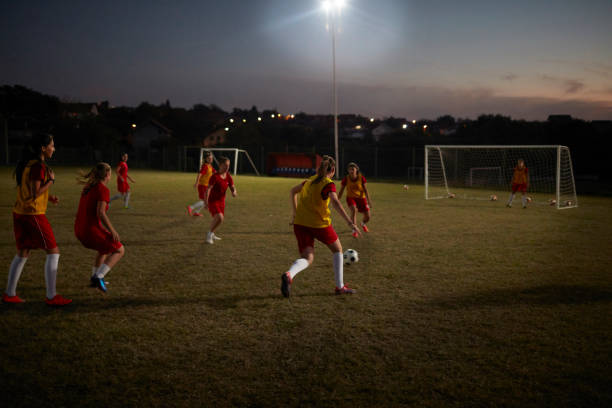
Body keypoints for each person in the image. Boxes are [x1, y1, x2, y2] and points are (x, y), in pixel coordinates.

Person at [2, 134, 72, 306]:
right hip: (32, 215)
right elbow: (35, 192)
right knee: (53, 252)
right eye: (52, 145)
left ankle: (10, 294)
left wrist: (48, 197)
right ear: (43, 148)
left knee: (23, 253)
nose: (54, 149)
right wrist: (51, 182)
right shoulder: (38, 167)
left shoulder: (29, 164)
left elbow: (30, 190)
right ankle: (51, 296)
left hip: (20, 212)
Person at [281, 155, 360, 298]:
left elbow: (293, 191)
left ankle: (289, 274)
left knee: (308, 257)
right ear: (333, 170)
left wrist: (294, 213)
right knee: (338, 250)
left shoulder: (309, 180)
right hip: (319, 224)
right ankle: (340, 287)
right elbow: (335, 202)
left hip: (300, 223)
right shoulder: (328, 183)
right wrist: (350, 222)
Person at [75, 163, 125, 293]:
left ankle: (94, 278)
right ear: (107, 175)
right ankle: (99, 276)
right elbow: (101, 213)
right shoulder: (103, 189)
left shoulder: (88, 186)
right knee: (120, 249)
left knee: (103, 249)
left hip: (79, 229)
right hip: (89, 230)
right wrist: (112, 230)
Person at [204, 156, 237, 244]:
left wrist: (234, 192)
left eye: (228, 165)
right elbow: (208, 190)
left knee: (218, 219)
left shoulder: (228, 176)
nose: (227, 167)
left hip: (221, 202)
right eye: (225, 165)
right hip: (213, 201)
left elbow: (232, 186)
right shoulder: (214, 177)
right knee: (220, 217)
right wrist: (206, 202)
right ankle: (209, 235)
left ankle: (212, 234)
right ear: (220, 165)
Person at [338, 162, 372, 238]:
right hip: (351, 197)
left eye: (353, 169)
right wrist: (337, 199)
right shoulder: (346, 179)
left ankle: (363, 224)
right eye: (349, 169)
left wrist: (369, 200)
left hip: (361, 198)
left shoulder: (361, 178)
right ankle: (354, 230)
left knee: (368, 217)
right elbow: (341, 190)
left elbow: (365, 190)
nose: (351, 171)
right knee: (353, 210)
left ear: (356, 170)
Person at [187, 151, 215, 216]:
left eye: (211, 158)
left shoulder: (210, 166)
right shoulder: (205, 166)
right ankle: (191, 207)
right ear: (206, 159)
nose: (211, 159)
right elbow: (200, 174)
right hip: (203, 185)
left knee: (205, 200)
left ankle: (196, 212)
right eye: (209, 158)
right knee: (205, 201)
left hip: (206, 186)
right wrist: (197, 182)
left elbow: (215, 172)